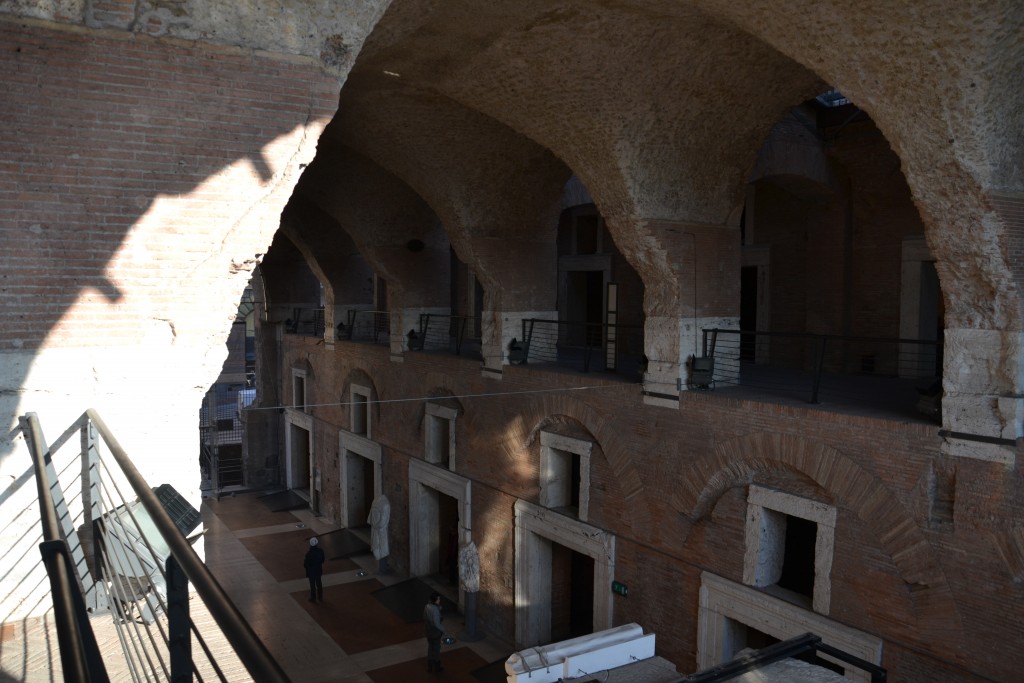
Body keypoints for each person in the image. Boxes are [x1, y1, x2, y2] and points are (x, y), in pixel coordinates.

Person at [423, 592, 447, 673]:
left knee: (430, 647)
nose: (439, 600)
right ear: (436, 600)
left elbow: (425, 617)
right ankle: (437, 667)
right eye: (439, 599)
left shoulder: (426, 606)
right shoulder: (435, 610)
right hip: (435, 633)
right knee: (436, 649)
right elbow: (437, 623)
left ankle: (429, 667)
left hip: (428, 631)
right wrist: (444, 630)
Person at [304, 537, 325, 602]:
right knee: (319, 584)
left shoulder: (309, 554)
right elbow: (322, 560)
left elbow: (306, 564)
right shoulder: (320, 551)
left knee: (312, 585)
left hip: (311, 572)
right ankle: (320, 597)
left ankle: (313, 598)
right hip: (318, 570)